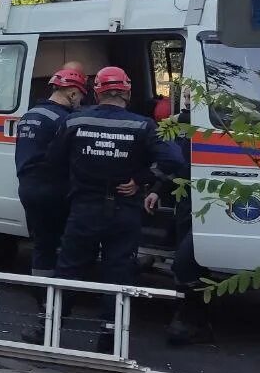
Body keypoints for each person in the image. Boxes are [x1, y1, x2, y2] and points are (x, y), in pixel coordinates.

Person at [47, 67, 184, 350]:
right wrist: (141, 179)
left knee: (69, 268)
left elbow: (53, 161)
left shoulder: (74, 121)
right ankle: (109, 340)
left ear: (97, 91)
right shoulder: (144, 125)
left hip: (84, 207)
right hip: (124, 211)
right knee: (118, 273)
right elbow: (174, 161)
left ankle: (47, 328)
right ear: (127, 92)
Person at [144, 91, 214, 345]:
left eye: (192, 95)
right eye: (185, 95)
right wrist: (155, 191)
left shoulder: (214, 125)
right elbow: (170, 163)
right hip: (184, 202)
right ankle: (193, 318)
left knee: (187, 262)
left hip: (209, 201)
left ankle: (190, 320)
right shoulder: (174, 123)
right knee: (188, 261)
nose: (187, 100)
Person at [15, 66, 87, 278]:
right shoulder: (64, 120)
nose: (80, 101)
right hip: (54, 189)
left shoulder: (29, 115)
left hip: (28, 188)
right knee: (67, 243)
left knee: (42, 244)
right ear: (72, 93)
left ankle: (42, 296)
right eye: (80, 96)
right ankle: (60, 294)